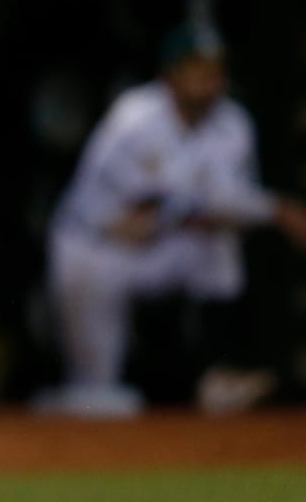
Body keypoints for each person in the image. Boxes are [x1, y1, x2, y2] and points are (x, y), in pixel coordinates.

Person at [44, 24, 306, 417]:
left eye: (214, 70)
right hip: (95, 252)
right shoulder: (135, 116)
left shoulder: (233, 123)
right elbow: (160, 206)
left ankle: (218, 373)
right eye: (195, 69)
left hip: (160, 245)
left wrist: (266, 211)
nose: (207, 80)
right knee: (100, 395)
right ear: (170, 74)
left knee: (218, 241)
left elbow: (220, 203)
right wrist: (276, 211)